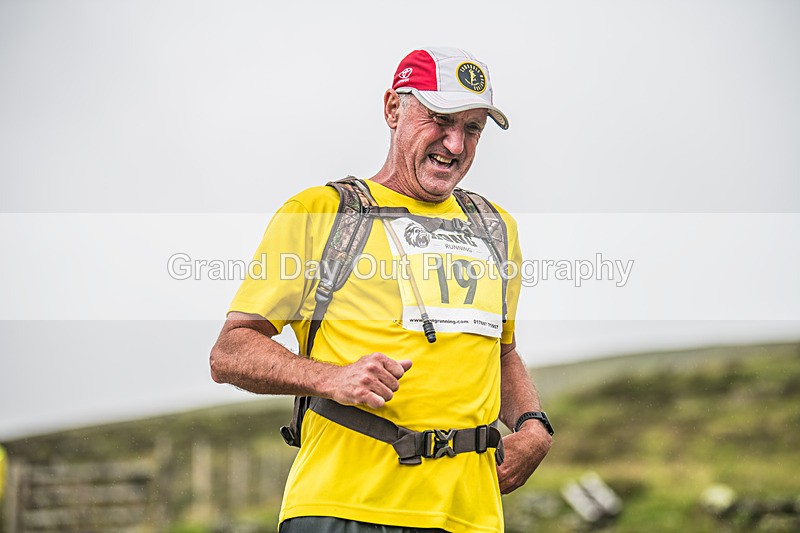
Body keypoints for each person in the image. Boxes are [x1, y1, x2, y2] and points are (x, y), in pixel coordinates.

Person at [210, 47, 552, 533]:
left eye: (472, 128)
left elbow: (501, 353)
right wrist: (331, 378)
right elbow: (228, 352)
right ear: (394, 108)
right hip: (345, 508)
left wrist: (534, 425)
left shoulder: (495, 229)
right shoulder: (322, 211)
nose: (455, 144)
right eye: (440, 119)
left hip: (470, 517)